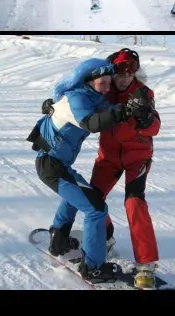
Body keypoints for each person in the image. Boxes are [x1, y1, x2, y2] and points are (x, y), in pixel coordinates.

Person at [27, 57, 131, 283]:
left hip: (58, 165)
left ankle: (59, 238)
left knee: (81, 195)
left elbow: (108, 111)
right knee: (96, 209)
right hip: (51, 166)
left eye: (107, 82)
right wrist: (120, 112)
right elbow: (91, 123)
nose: (105, 87)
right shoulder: (78, 97)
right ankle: (93, 268)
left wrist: (131, 109)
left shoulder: (91, 97)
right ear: (88, 81)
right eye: (101, 82)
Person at [90, 47, 161, 290]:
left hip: (136, 157)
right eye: (120, 73)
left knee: (134, 202)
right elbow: (78, 103)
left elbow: (155, 128)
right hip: (108, 157)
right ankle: (106, 238)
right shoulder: (103, 92)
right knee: (93, 199)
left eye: (130, 73)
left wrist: (146, 120)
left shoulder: (143, 93)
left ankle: (146, 265)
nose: (125, 78)